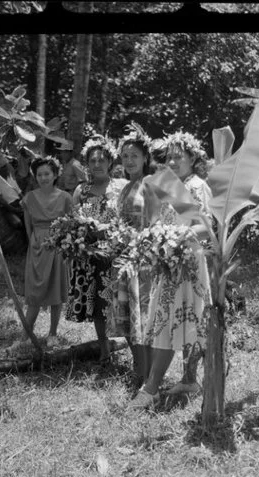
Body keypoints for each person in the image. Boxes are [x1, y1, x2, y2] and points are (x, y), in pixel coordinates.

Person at [130, 131, 213, 409]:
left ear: (193, 158)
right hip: (169, 261)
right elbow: (159, 219)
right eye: (171, 157)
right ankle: (189, 379)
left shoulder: (197, 185)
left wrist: (175, 241)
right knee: (173, 317)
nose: (174, 161)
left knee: (179, 317)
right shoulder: (170, 184)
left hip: (187, 262)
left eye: (180, 156)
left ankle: (151, 387)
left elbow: (203, 226)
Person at [66, 135, 127, 361]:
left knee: (120, 303)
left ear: (110, 162)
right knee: (99, 305)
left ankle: (129, 343)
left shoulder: (122, 187)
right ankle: (103, 350)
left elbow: (129, 219)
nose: (97, 165)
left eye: (102, 160)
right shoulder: (81, 190)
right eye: (92, 161)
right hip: (90, 257)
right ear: (87, 164)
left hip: (117, 256)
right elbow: (73, 221)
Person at [110, 123, 158, 391]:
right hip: (124, 260)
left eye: (134, 156)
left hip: (145, 261)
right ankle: (139, 370)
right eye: (125, 156)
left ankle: (149, 376)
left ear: (145, 158)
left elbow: (155, 223)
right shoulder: (125, 188)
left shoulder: (149, 185)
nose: (129, 161)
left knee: (144, 321)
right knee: (128, 320)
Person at [15, 156, 73, 348]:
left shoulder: (65, 197)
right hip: (38, 245)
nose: (43, 177)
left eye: (47, 173)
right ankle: (25, 335)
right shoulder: (30, 197)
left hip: (57, 245)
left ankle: (53, 333)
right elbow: (27, 223)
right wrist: (34, 242)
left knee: (56, 289)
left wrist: (62, 242)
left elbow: (70, 222)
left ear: (55, 175)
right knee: (34, 292)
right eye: (39, 174)